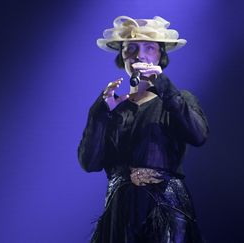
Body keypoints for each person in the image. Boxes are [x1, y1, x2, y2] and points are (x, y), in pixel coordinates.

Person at [78, 15, 209, 243]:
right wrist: (99, 114)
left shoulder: (176, 100)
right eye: (130, 48)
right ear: (122, 57)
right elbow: (90, 163)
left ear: (161, 55)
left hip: (166, 209)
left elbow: (198, 135)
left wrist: (163, 85)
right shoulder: (112, 107)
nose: (139, 55)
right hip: (121, 213)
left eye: (149, 47)